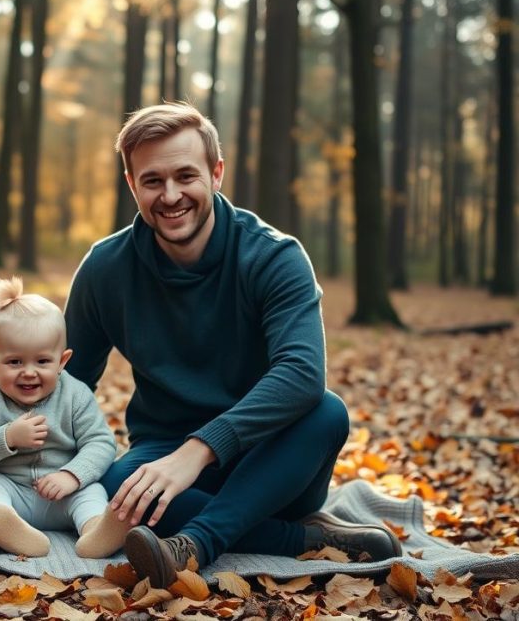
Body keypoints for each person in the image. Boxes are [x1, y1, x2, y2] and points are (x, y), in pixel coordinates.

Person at [64, 103, 401, 587]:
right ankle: (298, 541)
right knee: (118, 487)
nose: (171, 195)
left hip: (274, 462)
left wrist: (200, 449)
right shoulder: (105, 268)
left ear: (216, 173)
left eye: (186, 176)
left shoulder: (274, 256)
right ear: (131, 183)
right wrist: (15, 466)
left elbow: (302, 374)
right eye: (153, 180)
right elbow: (68, 385)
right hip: (164, 452)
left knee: (327, 411)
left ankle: (195, 544)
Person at [0, 277, 128, 559]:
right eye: (14, 362)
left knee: (92, 492)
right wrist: (6, 437)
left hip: (63, 493)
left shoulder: (75, 395)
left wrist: (72, 475)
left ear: (62, 361)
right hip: (11, 491)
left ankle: (96, 531)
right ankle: (5, 526)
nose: (29, 372)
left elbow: (101, 443)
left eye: (43, 361)